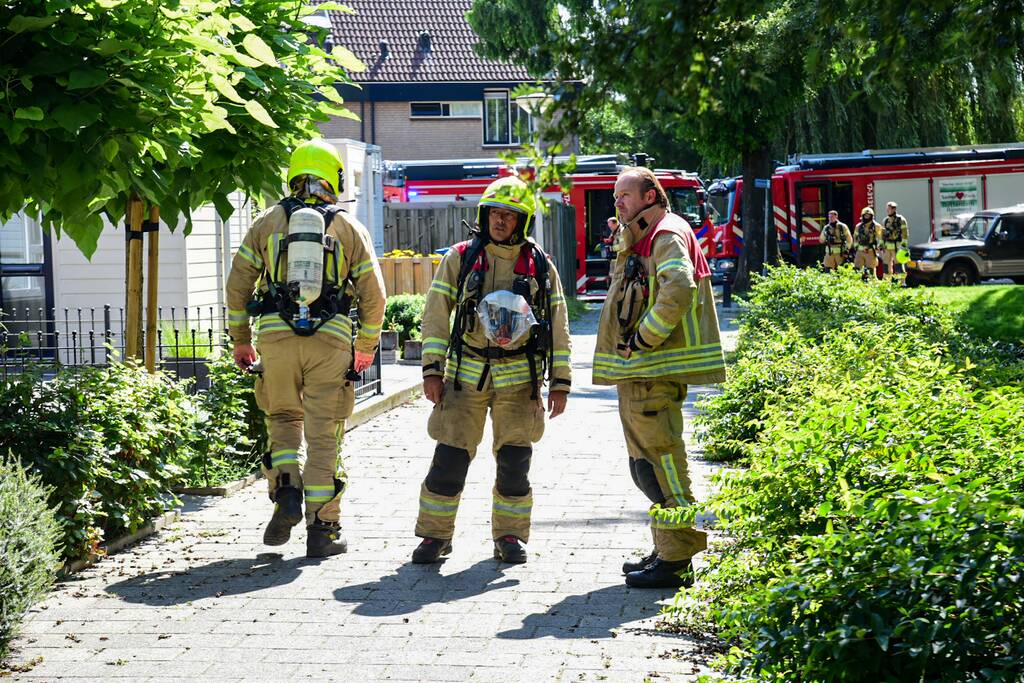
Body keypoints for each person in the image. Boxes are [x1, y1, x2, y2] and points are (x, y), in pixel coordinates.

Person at [226, 139, 386, 558]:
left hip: (275, 340)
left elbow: (238, 284)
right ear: (332, 178)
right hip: (330, 341)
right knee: (324, 433)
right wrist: (365, 347)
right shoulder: (348, 228)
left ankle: (287, 492)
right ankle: (323, 529)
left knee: (281, 418)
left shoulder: (266, 222)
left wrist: (242, 340)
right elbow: (374, 295)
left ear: (293, 175)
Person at [411, 175, 572, 565]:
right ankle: (435, 537)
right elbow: (435, 313)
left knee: (515, 464)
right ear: (484, 216)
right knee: (449, 460)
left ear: (523, 221)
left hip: (520, 382)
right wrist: (432, 371)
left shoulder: (538, 265)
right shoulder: (461, 257)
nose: (500, 221)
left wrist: (561, 383)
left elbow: (558, 321)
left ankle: (510, 537)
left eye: (509, 215)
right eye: (494, 213)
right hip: (465, 378)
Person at [593, 167, 726, 589]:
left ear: (651, 195)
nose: (618, 203)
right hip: (641, 373)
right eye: (616, 197)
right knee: (646, 466)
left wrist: (643, 340)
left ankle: (677, 560)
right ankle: (667, 547)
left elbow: (679, 288)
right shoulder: (645, 232)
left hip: (652, 370)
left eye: (625, 195)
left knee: (664, 466)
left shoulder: (665, 233)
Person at [880, 201, 910, 281]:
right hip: (887, 247)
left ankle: (902, 283)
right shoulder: (885, 220)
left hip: (897, 246)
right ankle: (886, 283)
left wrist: (903, 246)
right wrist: (881, 244)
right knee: (886, 265)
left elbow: (905, 233)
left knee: (899, 265)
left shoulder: (901, 220)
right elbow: (882, 234)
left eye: (893, 208)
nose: (891, 209)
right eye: (889, 208)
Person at [853, 206, 883, 281]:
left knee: (871, 270)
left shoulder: (876, 226)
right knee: (857, 269)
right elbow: (855, 237)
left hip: (870, 251)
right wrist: (856, 246)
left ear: (871, 216)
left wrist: (879, 246)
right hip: (860, 251)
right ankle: (858, 285)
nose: (866, 217)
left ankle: (873, 285)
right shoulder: (858, 226)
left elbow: (881, 237)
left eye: (868, 215)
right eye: (865, 215)